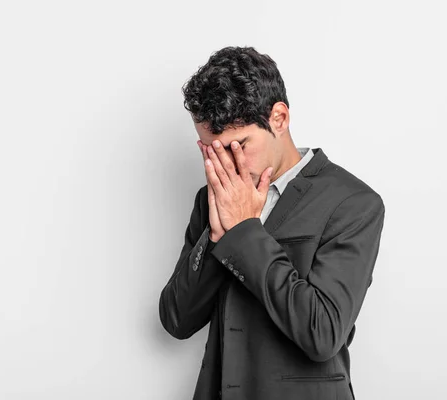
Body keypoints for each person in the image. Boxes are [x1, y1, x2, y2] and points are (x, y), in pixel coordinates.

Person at [159, 46, 385, 400]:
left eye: (238, 146)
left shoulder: (353, 203)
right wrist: (216, 236)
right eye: (210, 150)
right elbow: (177, 319)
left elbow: (322, 333)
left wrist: (244, 231)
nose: (227, 164)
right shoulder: (211, 199)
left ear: (278, 118)